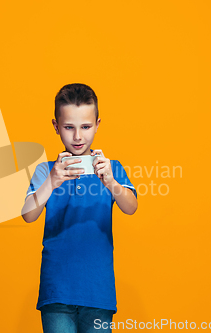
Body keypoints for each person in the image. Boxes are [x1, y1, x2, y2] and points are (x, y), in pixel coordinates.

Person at [21, 83, 138, 333]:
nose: (77, 137)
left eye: (85, 127)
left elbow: (131, 207)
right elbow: (28, 214)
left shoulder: (111, 167)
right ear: (56, 126)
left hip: (98, 290)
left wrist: (110, 181)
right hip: (57, 290)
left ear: (97, 124)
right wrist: (52, 181)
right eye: (68, 127)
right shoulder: (46, 170)